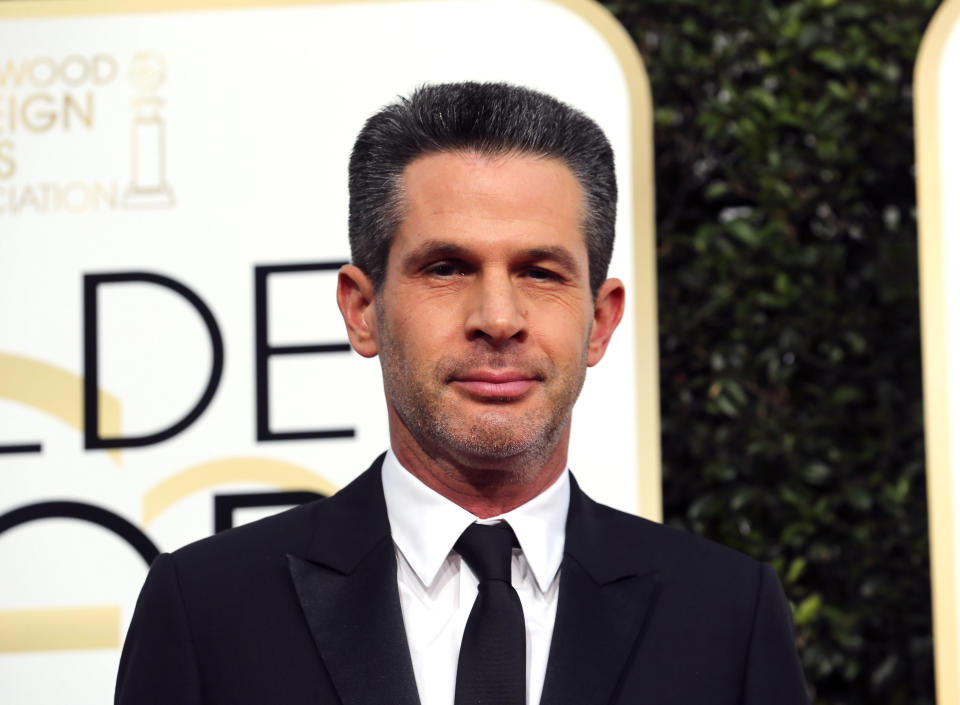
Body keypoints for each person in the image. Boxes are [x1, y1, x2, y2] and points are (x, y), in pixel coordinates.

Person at [115, 82, 809, 705]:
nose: (498, 318)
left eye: (540, 271)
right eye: (446, 268)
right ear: (362, 309)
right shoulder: (208, 610)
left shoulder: (725, 615)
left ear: (600, 321)